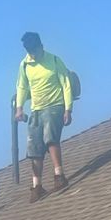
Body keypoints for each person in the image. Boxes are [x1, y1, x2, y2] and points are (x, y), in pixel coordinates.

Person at [14, 31, 79, 201]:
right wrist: (19, 108)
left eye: (35, 51)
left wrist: (68, 109)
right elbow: (22, 87)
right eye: (30, 52)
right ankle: (37, 186)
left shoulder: (54, 60)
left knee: (50, 137)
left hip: (55, 105)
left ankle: (59, 176)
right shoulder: (25, 65)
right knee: (34, 146)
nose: (33, 55)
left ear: (41, 46)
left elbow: (66, 84)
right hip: (36, 109)